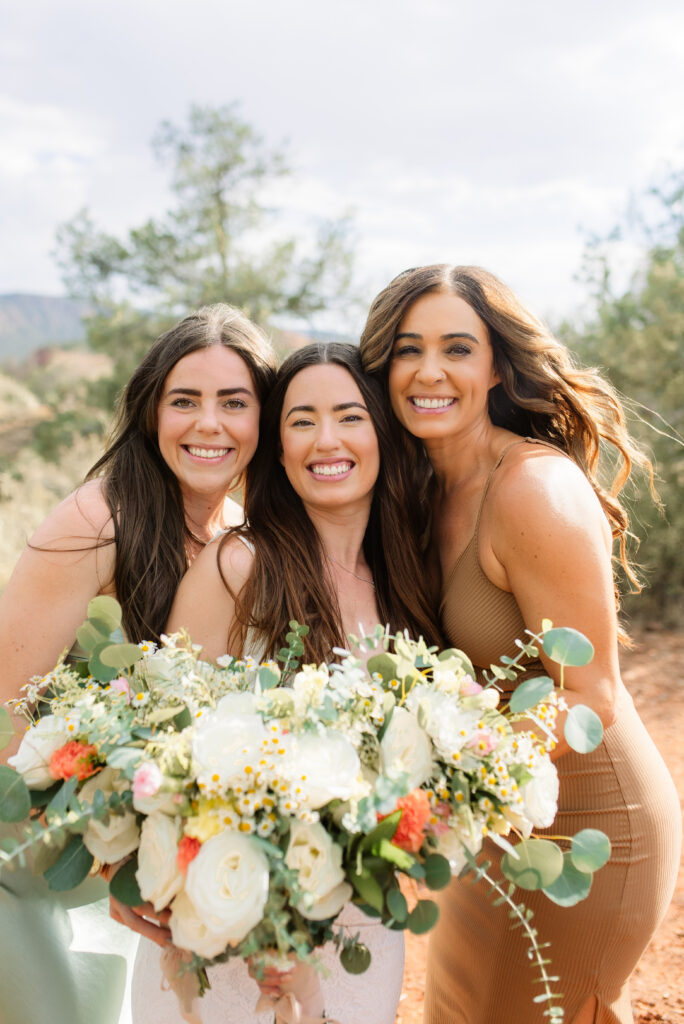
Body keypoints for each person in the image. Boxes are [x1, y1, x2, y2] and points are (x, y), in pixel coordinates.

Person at [359, 264, 682, 1024]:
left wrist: (445, 790)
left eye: (456, 349)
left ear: (497, 364)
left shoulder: (533, 489)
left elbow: (589, 694)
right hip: (488, 827)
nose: (429, 371)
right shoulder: (411, 489)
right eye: (407, 350)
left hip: (583, 832)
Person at [126, 342, 443, 1024]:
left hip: (360, 926)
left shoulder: (408, 580)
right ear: (277, 444)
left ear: (382, 432)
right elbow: (165, 759)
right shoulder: (238, 568)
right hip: (230, 935)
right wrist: (273, 939)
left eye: (349, 416)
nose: (326, 440)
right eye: (301, 420)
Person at [0, 303, 276, 1024]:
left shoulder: (239, 532)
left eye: (234, 402)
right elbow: (2, 710)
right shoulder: (99, 519)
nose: (208, 423)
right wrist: (106, 862)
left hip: (134, 855)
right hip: (24, 858)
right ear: (152, 411)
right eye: (184, 401)